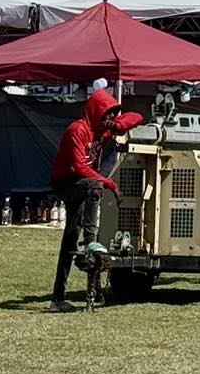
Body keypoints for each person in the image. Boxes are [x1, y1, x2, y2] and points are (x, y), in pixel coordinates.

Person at [51, 87, 145, 311]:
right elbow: (79, 168)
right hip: (66, 183)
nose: (110, 118)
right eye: (107, 113)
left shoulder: (103, 131)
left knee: (70, 238)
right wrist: (111, 184)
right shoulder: (78, 130)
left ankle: (58, 298)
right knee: (95, 185)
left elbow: (137, 117)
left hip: (83, 183)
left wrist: (118, 126)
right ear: (96, 112)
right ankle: (91, 239)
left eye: (113, 114)